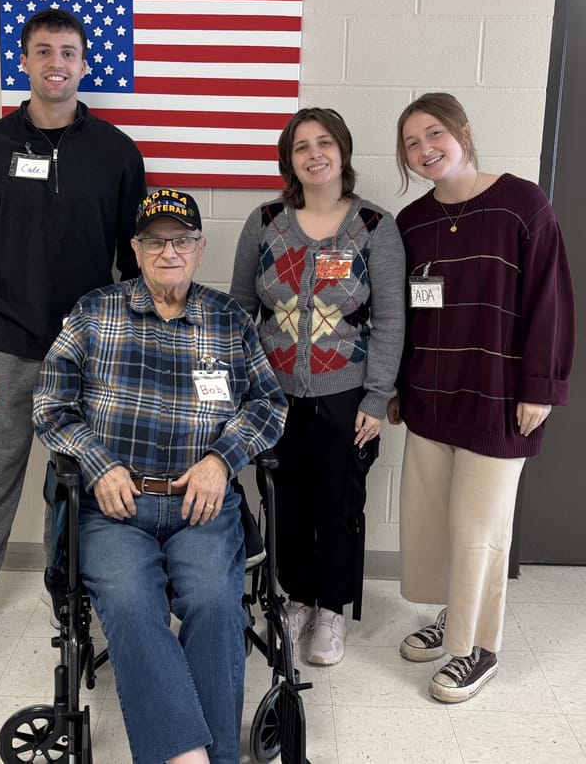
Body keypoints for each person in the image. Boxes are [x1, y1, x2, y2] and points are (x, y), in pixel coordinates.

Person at [32, 189, 288, 764]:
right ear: (136, 249)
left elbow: (269, 405)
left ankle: (203, 756)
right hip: (115, 506)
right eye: (155, 241)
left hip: (202, 504)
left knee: (216, 605)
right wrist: (98, 465)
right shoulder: (95, 311)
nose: (168, 251)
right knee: (130, 604)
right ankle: (189, 758)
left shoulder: (228, 319)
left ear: (200, 249)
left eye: (181, 241)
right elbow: (50, 404)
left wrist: (221, 460)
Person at [0, 8, 146, 660]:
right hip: (6, 347)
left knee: (77, 477)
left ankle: (67, 582)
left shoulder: (117, 152)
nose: (55, 63)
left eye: (67, 52)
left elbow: (133, 260)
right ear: (24, 61)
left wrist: (129, 341)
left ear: (84, 64)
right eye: (43, 51)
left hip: (89, 352)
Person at [389, 92, 576, 703]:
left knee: (480, 531)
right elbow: (400, 317)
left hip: (499, 401)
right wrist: (395, 388)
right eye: (411, 143)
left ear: (463, 132)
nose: (424, 149)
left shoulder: (523, 204)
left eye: (434, 133)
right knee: (436, 525)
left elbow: (550, 299)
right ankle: (454, 618)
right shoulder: (411, 224)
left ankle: (479, 649)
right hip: (429, 402)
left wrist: (541, 387)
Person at [230, 107, 405, 665]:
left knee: (338, 501)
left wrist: (377, 396)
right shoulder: (265, 221)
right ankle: (298, 597)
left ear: (343, 151)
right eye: (301, 146)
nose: (314, 155)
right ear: (289, 159)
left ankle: (331, 607)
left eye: (324, 143)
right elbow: (239, 309)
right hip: (273, 394)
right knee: (285, 500)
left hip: (345, 394)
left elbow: (391, 320)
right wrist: (238, 386)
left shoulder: (374, 227)